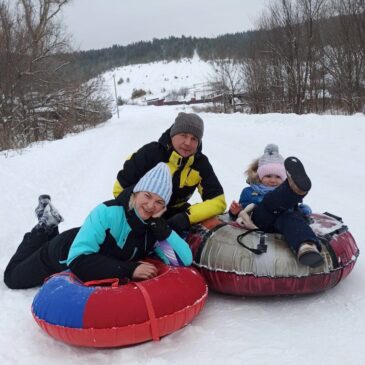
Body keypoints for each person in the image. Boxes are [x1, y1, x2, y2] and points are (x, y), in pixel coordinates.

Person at [4, 163, 193, 289]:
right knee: (12, 278)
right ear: (136, 194)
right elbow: (78, 260)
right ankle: (44, 227)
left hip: (85, 241)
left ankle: (51, 226)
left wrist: (163, 230)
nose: (151, 205)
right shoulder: (107, 212)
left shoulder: (153, 227)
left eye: (160, 202)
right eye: (147, 196)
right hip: (61, 254)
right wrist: (129, 269)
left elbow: (183, 260)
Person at [112, 112, 226, 236]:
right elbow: (119, 191)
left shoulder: (200, 163)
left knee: (211, 225)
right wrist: (145, 216)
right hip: (143, 213)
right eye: (184, 135)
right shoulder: (150, 154)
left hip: (176, 216)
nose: (188, 143)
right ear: (173, 134)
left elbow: (218, 201)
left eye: (194, 139)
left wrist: (186, 217)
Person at [229, 144, 324, 268]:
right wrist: (235, 211)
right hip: (261, 219)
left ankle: (306, 247)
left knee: (290, 217)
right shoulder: (250, 190)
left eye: (278, 177)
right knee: (270, 201)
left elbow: (295, 210)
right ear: (260, 176)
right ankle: (294, 190)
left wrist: (302, 211)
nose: (273, 180)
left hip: (281, 220)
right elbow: (243, 210)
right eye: (268, 176)